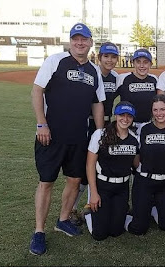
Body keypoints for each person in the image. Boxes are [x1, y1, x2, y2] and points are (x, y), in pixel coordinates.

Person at [29, 22, 105, 255]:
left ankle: (63, 219)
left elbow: (97, 104)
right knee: (47, 182)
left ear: (91, 42)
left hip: (79, 137)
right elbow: (37, 90)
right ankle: (39, 231)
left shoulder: (94, 71)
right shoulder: (56, 61)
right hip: (50, 136)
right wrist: (42, 123)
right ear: (70, 41)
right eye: (76, 39)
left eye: (84, 39)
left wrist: (100, 133)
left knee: (73, 180)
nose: (79, 43)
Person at [70, 42, 121, 226]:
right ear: (99, 57)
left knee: (103, 166)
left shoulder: (117, 78)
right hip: (88, 124)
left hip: (107, 126)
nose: (109, 60)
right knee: (83, 169)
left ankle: (94, 204)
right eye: (106, 56)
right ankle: (72, 209)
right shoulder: (90, 73)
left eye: (113, 56)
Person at [84, 101, 139, 240]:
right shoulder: (100, 134)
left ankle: (115, 214)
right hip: (103, 187)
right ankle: (89, 214)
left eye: (129, 116)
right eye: (122, 115)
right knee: (100, 235)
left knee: (116, 231)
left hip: (122, 187)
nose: (125, 119)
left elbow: (136, 164)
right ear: (115, 115)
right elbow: (90, 165)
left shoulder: (134, 139)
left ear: (133, 118)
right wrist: (94, 193)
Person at [127, 94, 165, 235]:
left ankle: (155, 207)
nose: (159, 113)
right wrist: (139, 168)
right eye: (155, 110)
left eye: (162, 109)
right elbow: (136, 151)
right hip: (144, 181)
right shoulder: (143, 129)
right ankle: (130, 213)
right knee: (138, 229)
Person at [116, 48, 164, 134]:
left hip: (148, 125)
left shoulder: (154, 79)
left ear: (151, 64)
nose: (142, 66)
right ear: (133, 63)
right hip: (127, 126)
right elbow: (109, 98)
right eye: (138, 62)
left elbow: (161, 101)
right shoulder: (123, 78)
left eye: (145, 62)